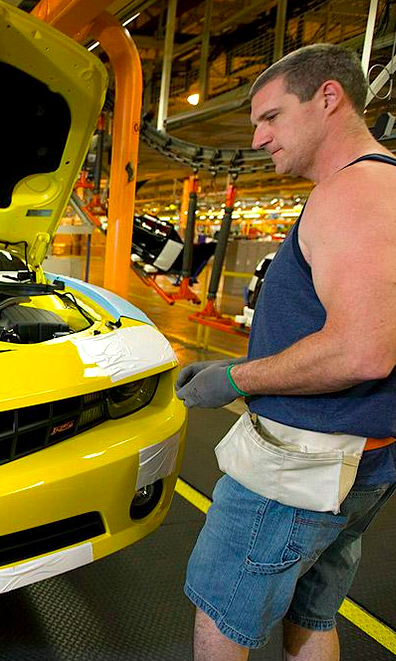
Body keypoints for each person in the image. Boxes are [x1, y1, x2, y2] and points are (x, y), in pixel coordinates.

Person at [175, 44, 396, 661]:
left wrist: (236, 378)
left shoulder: (352, 193)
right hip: (361, 460)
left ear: (328, 97)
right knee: (314, 609)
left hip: (303, 467)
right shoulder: (384, 183)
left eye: (270, 117)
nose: (258, 136)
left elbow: (362, 351)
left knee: (223, 611)